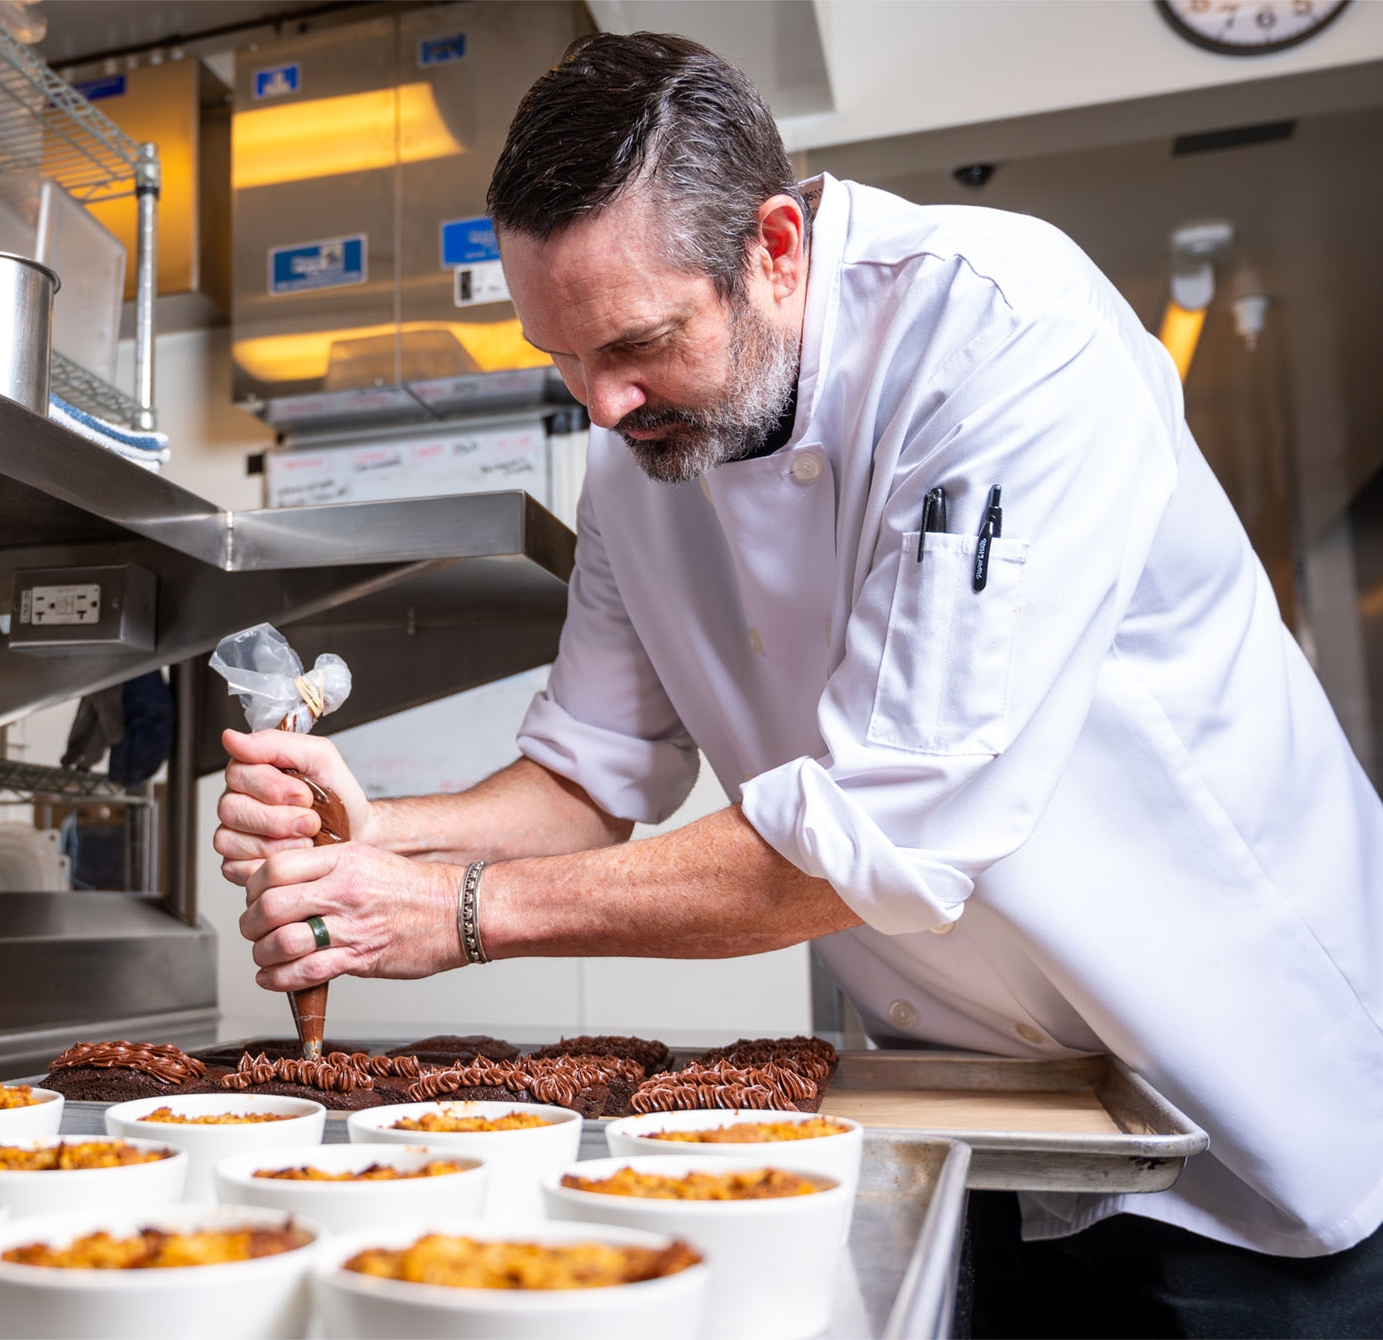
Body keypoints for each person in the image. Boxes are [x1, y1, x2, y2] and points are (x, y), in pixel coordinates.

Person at [212, 31, 1383, 1336]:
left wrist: (458, 912)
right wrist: (379, 832)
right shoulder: (637, 446)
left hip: (1238, 1092)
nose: (600, 407)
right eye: (562, 360)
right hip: (982, 1110)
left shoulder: (997, 335)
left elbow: (882, 836)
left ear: (773, 248)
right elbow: (587, 774)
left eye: (639, 343)